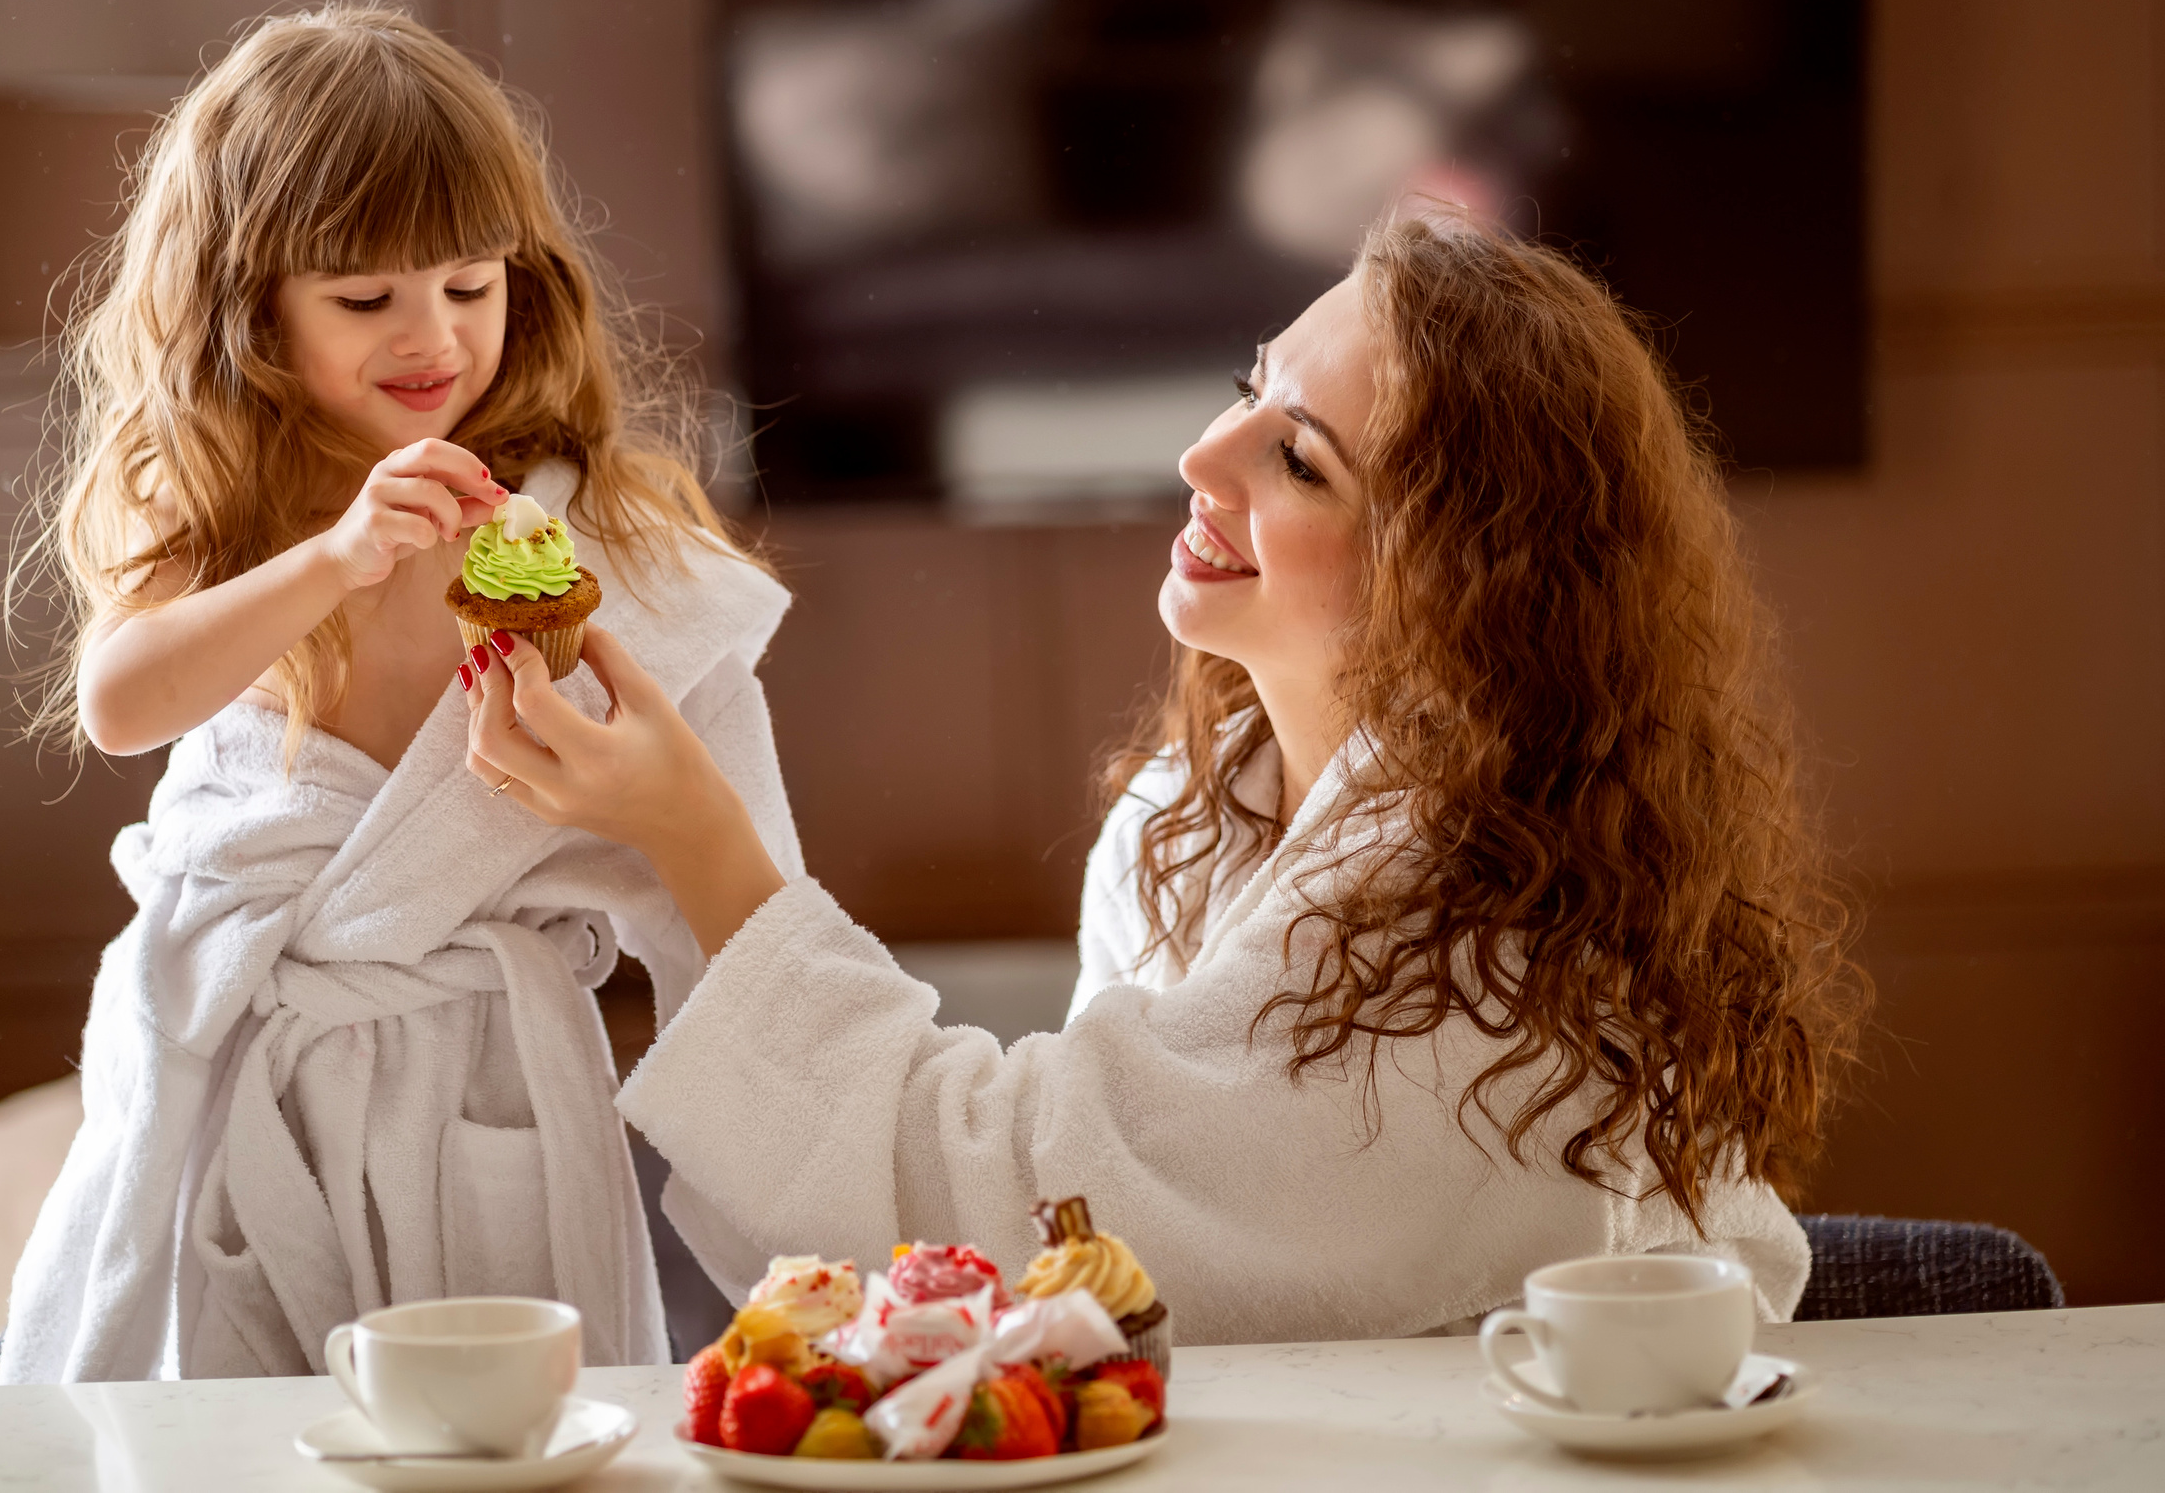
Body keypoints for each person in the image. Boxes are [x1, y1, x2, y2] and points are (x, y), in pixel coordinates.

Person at [459, 215, 1868, 1344]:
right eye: (1252, 388)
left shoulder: (1488, 973)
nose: (1203, 455)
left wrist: (693, 834)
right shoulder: (1182, 823)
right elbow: (1111, 1300)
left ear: (1455, 587)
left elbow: (1033, 1220)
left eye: (1299, 462)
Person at [0, 2, 800, 1381]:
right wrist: (335, 557)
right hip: (230, 1084)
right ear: (249, 308)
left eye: (470, 287)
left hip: (491, 1092)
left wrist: (797, 1226)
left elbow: (741, 886)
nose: (431, 337)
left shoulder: (595, 533)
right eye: (366, 300)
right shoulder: (219, 515)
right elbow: (121, 703)